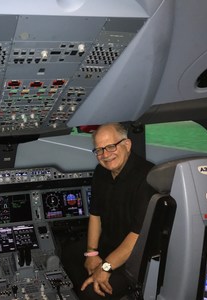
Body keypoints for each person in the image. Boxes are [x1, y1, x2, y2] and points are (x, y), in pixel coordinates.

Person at [64, 123, 155, 299]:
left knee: (91, 295)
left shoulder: (147, 178)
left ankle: (93, 287)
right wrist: (92, 253)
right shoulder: (101, 172)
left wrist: (105, 267)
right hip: (108, 246)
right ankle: (89, 282)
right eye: (99, 150)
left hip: (133, 259)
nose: (105, 155)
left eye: (111, 146)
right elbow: (95, 216)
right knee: (69, 253)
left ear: (127, 145)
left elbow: (137, 236)